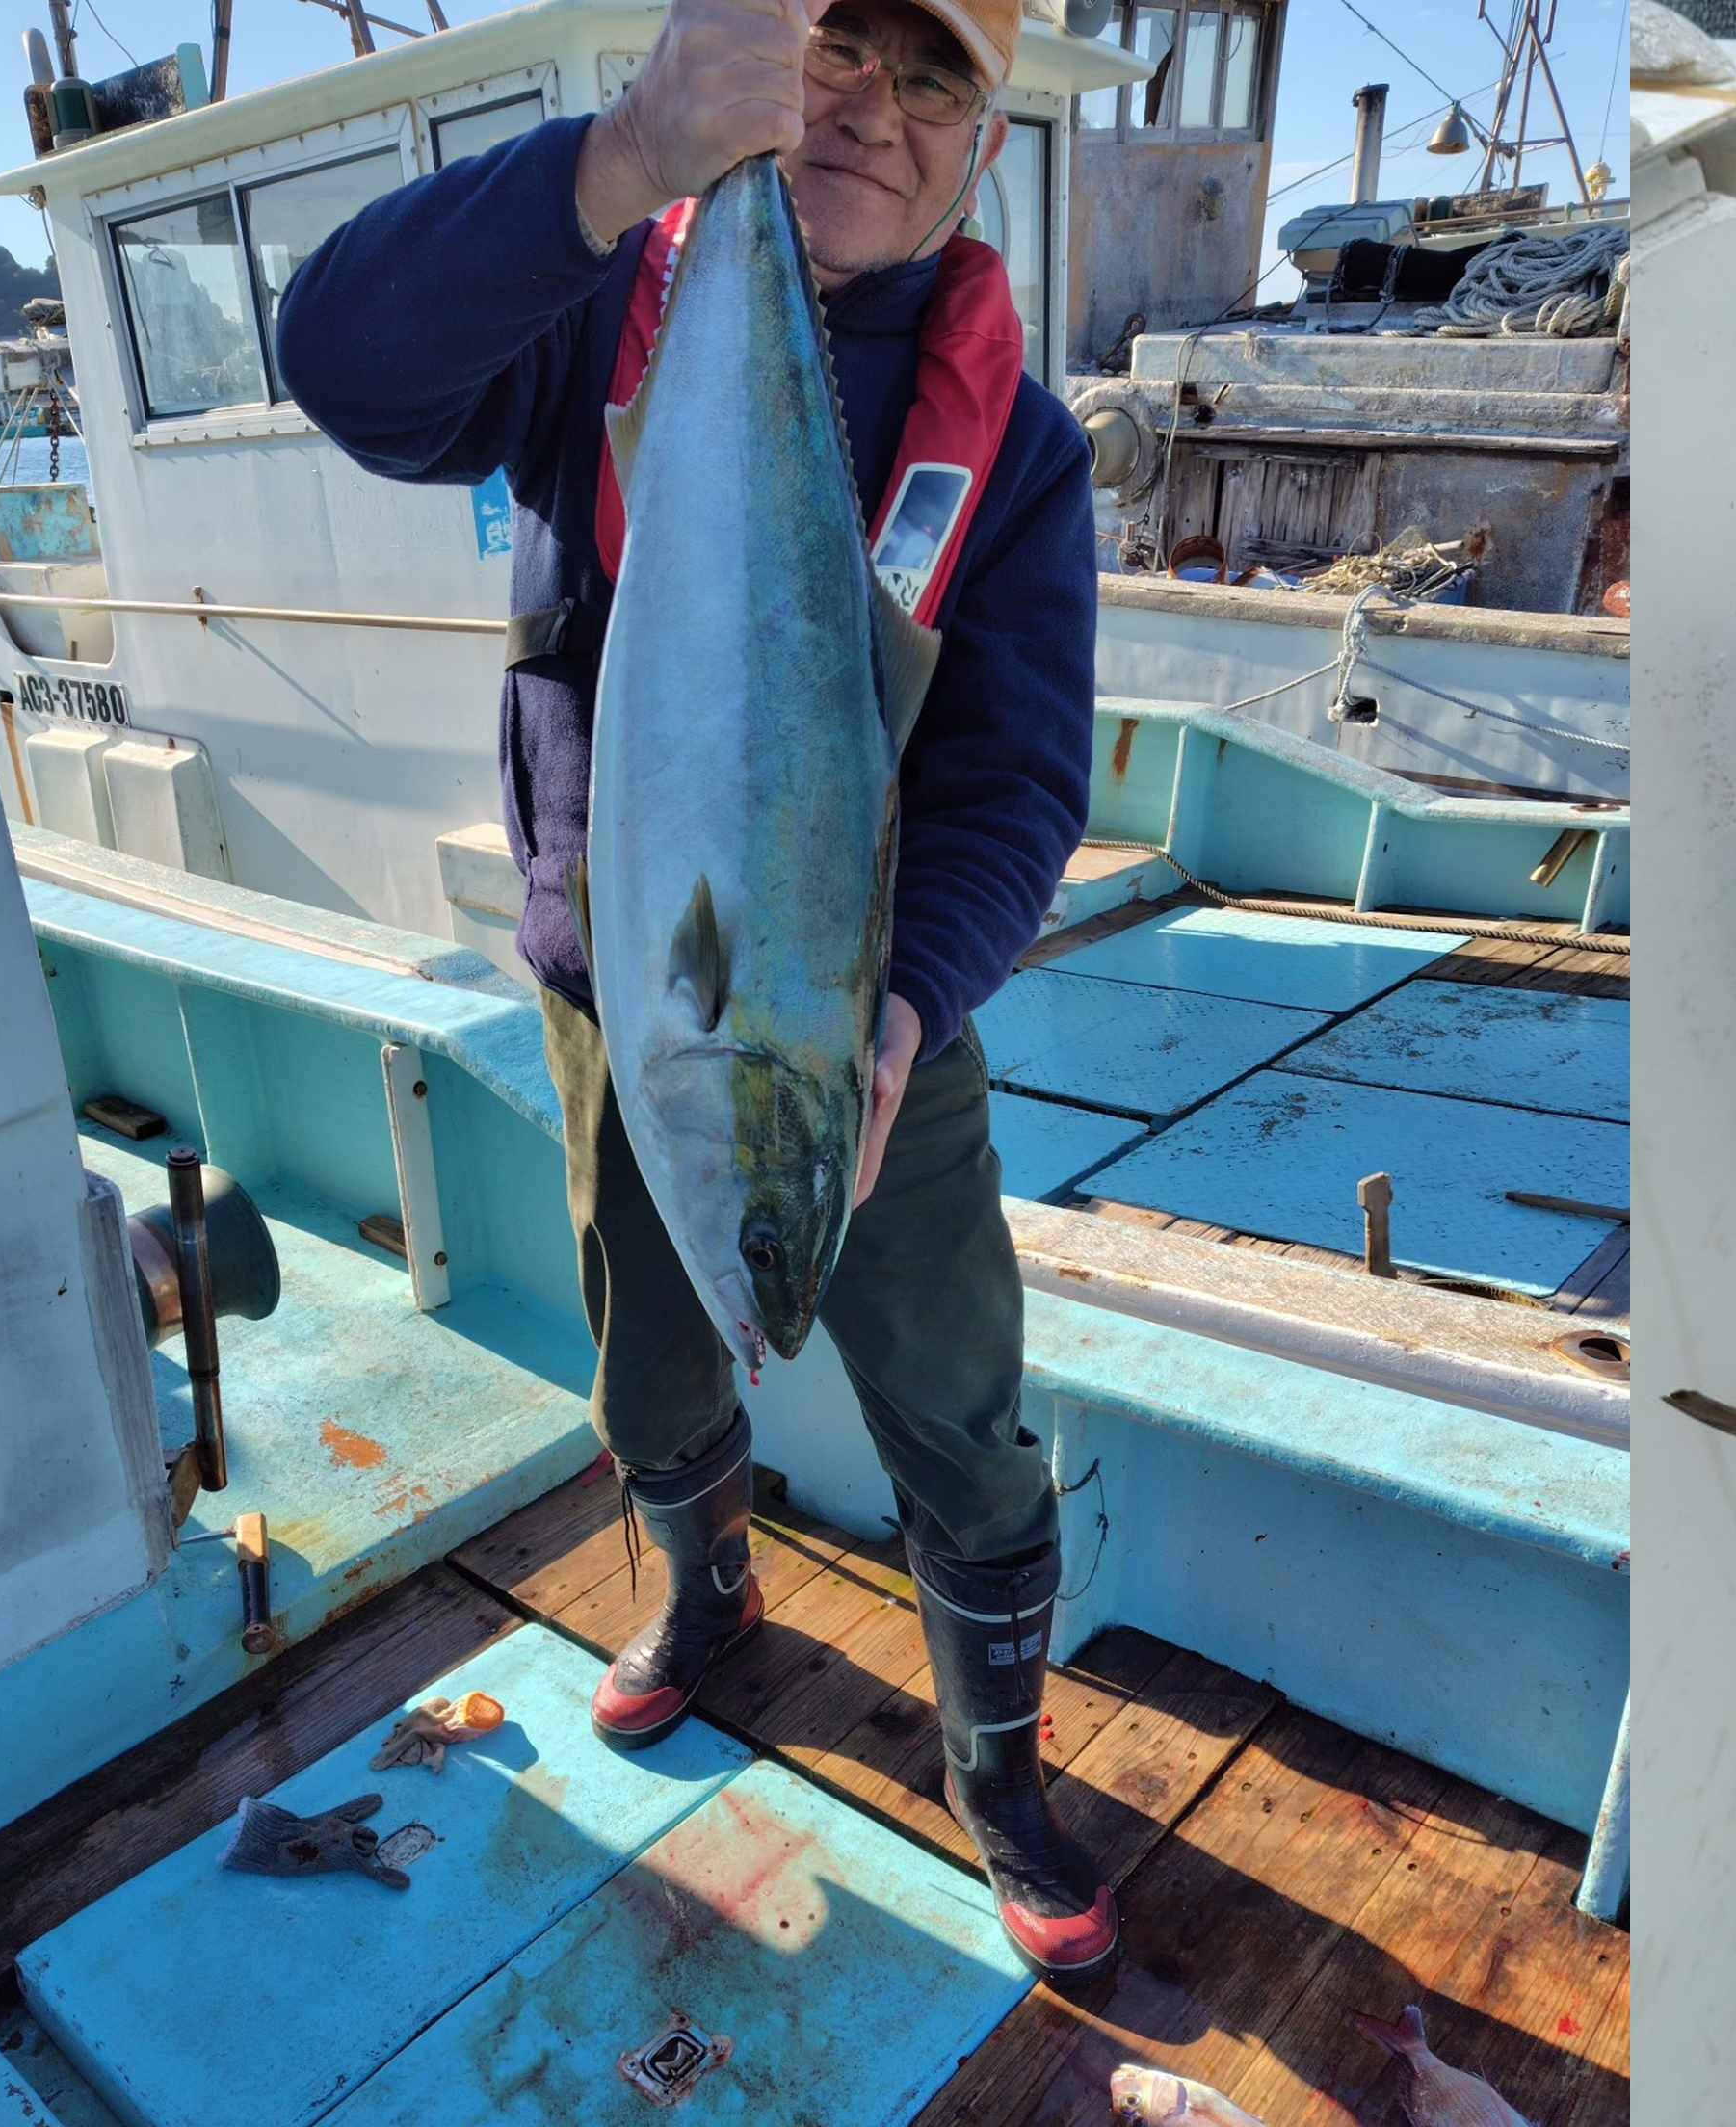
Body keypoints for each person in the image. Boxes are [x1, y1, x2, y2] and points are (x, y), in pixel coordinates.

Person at [276, 0, 1118, 1983]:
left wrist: (902, 1012)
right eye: (843, 47)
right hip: (639, 1016)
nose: (874, 106)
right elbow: (342, 364)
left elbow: (1016, 780)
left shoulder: (1028, 452)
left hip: (870, 1042)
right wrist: (635, 150)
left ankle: (997, 1761)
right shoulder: (594, 316)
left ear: (982, 146)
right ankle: (707, 1588)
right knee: (653, 1365)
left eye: (934, 78)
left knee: (959, 1408)